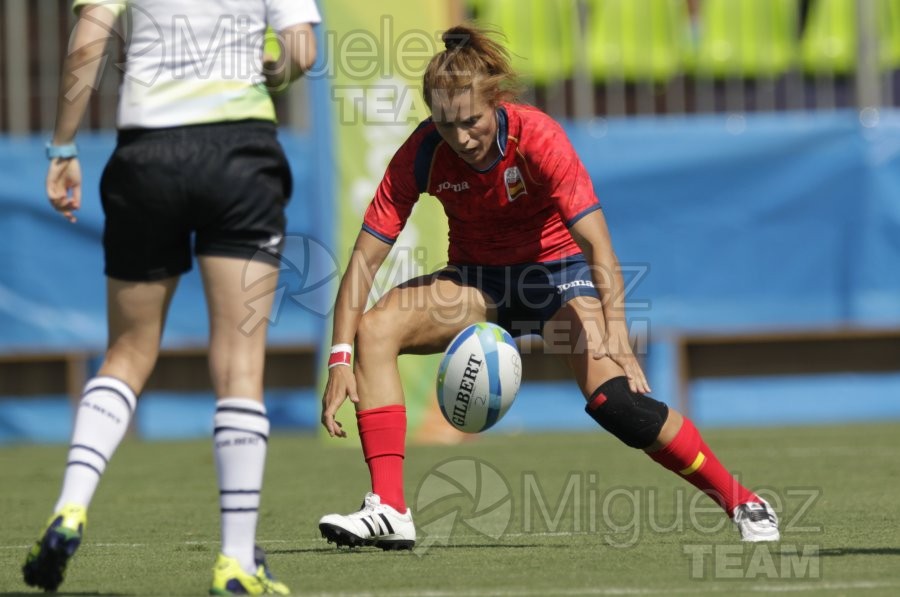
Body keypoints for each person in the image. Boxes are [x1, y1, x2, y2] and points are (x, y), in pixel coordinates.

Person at [318, 23, 779, 550]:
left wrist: (618, 337)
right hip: (477, 284)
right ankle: (390, 509)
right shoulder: (422, 152)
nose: (461, 138)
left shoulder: (537, 137)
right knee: (374, 330)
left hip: (555, 277)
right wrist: (338, 358)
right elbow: (362, 262)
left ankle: (742, 499)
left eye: (471, 122)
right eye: (446, 125)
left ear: (496, 101)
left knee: (619, 406)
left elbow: (598, 248)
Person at [24, 0, 319, 594]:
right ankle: (236, 560)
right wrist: (267, 69)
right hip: (241, 157)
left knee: (127, 353)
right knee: (240, 364)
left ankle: (70, 508)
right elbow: (301, 53)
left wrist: (62, 147)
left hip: (147, 156)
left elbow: (88, 45)